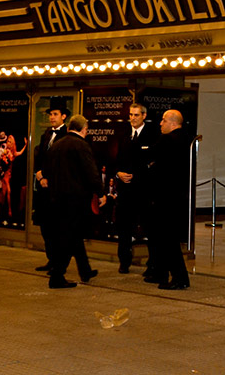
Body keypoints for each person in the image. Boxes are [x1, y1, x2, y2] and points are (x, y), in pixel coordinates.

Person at [45, 114, 106, 288]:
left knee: (74, 235)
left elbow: (47, 171)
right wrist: (100, 193)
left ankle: (85, 270)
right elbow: (91, 172)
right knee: (69, 236)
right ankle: (57, 276)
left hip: (57, 198)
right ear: (84, 129)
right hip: (76, 199)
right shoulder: (81, 146)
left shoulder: (57, 145)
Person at [148, 109, 191, 290]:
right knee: (167, 238)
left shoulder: (167, 140)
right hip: (178, 196)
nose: (160, 123)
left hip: (165, 197)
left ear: (173, 123)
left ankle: (179, 278)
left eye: (164, 120)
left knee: (167, 239)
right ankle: (163, 273)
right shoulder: (186, 140)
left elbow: (152, 159)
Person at [114, 102, 158, 275]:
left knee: (149, 227)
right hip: (125, 191)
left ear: (144, 116)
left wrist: (138, 175)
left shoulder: (153, 134)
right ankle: (124, 261)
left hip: (144, 191)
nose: (132, 118)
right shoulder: (123, 134)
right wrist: (118, 173)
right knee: (124, 227)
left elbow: (153, 162)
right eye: (131, 115)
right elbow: (115, 159)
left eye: (136, 115)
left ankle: (153, 263)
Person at [32, 98, 68, 273]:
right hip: (43, 188)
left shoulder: (67, 135)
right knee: (45, 226)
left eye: (55, 114)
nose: (52, 117)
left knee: (57, 227)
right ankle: (51, 259)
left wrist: (50, 178)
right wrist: (38, 174)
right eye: (50, 115)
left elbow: (64, 164)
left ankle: (58, 262)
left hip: (57, 189)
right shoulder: (46, 134)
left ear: (63, 116)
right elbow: (39, 157)